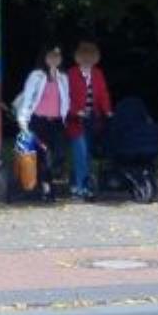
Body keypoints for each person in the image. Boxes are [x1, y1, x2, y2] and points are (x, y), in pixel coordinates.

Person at [14, 43, 70, 202]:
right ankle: (46, 189)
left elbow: (66, 100)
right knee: (45, 157)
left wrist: (65, 117)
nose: (54, 59)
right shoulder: (36, 76)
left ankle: (47, 183)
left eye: (57, 56)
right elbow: (28, 99)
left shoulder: (63, 78)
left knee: (59, 155)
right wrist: (23, 120)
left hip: (57, 123)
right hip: (39, 122)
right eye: (51, 56)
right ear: (44, 58)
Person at [67, 40, 113, 200]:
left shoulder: (97, 73)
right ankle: (82, 188)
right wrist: (75, 112)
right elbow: (66, 97)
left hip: (93, 119)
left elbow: (103, 94)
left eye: (91, 55)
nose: (87, 58)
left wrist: (107, 111)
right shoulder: (71, 74)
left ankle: (77, 184)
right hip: (76, 120)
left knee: (87, 154)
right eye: (84, 55)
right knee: (81, 152)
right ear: (78, 57)